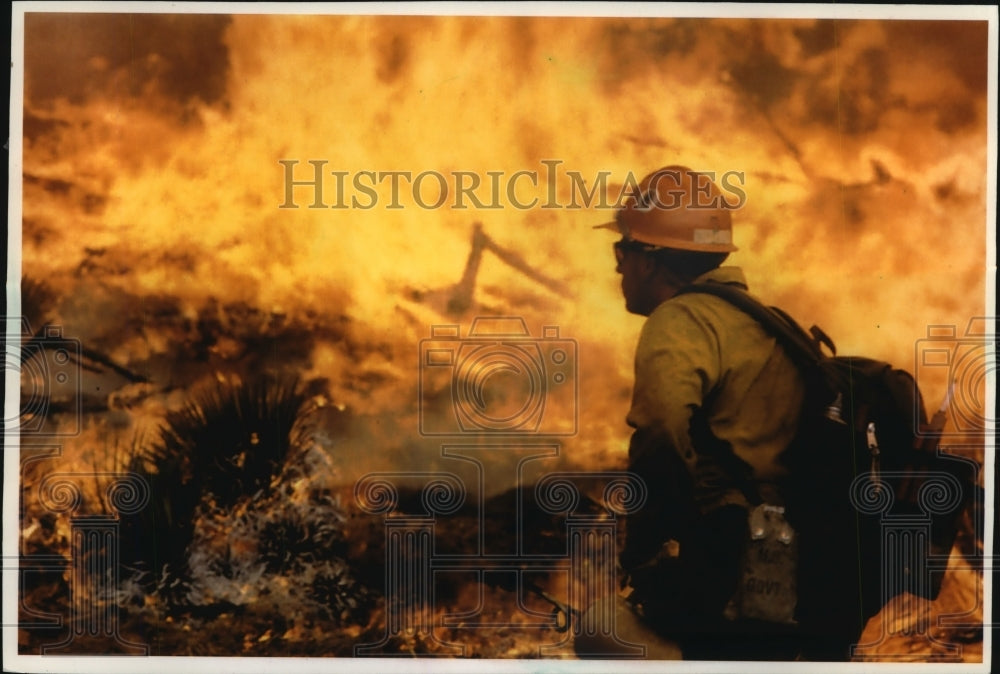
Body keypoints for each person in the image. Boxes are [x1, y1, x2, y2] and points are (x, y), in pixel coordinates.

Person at [575, 166, 851, 661]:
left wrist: (647, 547)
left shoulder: (680, 320)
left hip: (727, 560)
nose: (619, 267)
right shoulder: (768, 322)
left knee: (601, 629)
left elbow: (660, 432)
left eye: (624, 250)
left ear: (653, 261)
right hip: (803, 565)